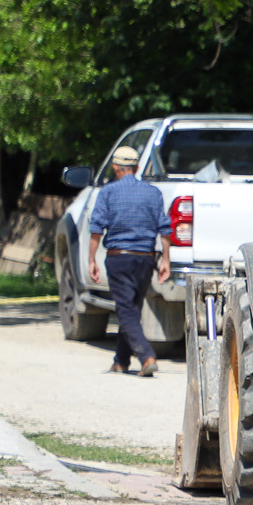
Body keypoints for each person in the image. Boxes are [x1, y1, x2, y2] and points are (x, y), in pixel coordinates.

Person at [86, 144, 171, 377]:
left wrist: (91, 259)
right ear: (136, 167)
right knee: (132, 308)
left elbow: (96, 229)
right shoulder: (153, 193)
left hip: (119, 259)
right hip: (146, 259)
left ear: (115, 167)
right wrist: (166, 260)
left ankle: (146, 357)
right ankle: (121, 361)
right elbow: (165, 229)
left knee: (126, 310)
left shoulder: (108, 192)